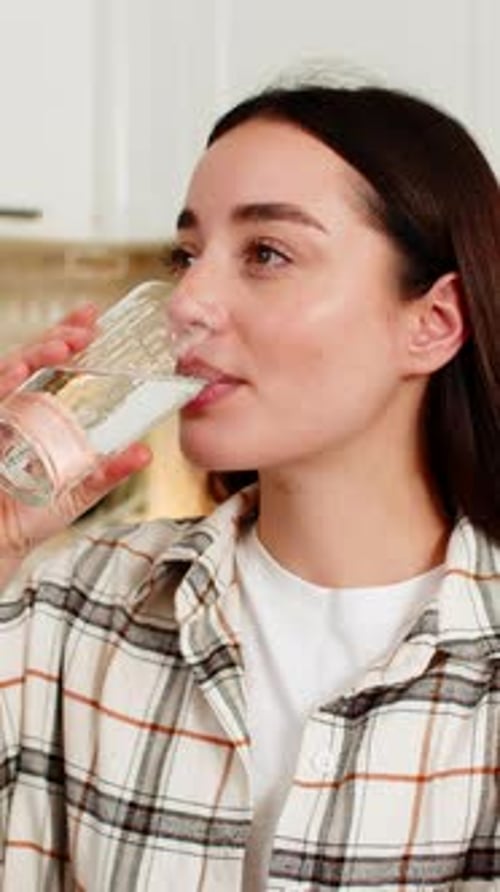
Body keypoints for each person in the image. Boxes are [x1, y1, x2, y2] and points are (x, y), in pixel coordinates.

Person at [0, 79, 498, 891]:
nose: (188, 304)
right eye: (186, 257)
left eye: (267, 253)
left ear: (432, 323)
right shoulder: (67, 606)